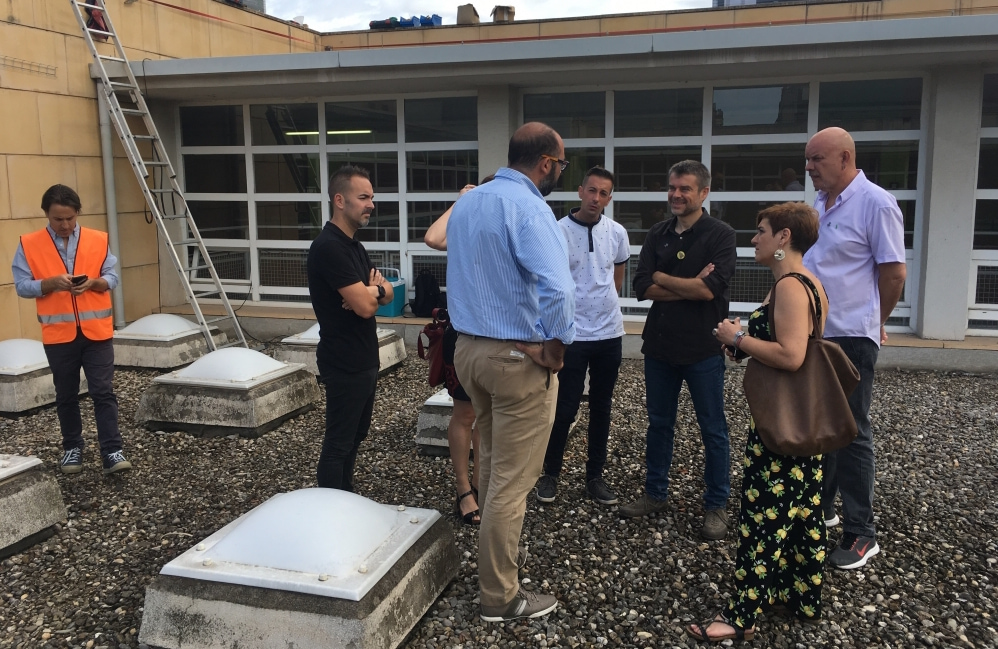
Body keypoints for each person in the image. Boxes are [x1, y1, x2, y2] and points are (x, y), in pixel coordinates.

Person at [446, 122, 575, 623]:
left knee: (493, 463)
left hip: (469, 351)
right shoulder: (529, 207)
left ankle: (494, 576)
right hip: (515, 357)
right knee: (510, 483)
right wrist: (556, 350)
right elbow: (560, 291)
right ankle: (500, 597)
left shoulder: (471, 201)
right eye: (560, 167)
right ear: (546, 163)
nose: (559, 174)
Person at [688, 202, 829, 643]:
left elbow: (792, 355)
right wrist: (742, 343)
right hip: (803, 423)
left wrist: (738, 337)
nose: (754, 238)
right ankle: (800, 595)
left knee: (763, 519)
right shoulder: (805, 283)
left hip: (780, 426)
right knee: (803, 515)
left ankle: (742, 616)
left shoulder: (789, 286)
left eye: (761, 231)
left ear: (784, 237)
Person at [802, 127, 906, 570]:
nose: (809, 169)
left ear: (845, 158)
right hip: (817, 333)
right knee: (824, 428)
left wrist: (874, 322)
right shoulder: (819, 206)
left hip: (851, 337)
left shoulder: (876, 203)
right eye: (807, 161)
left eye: (817, 160)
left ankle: (862, 532)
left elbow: (894, 273)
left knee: (853, 430)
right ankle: (824, 509)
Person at [622, 160, 737, 541]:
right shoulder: (658, 233)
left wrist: (663, 277)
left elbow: (710, 290)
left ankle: (716, 505)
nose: (676, 194)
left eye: (685, 188)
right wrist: (686, 283)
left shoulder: (721, 235)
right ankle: (655, 494)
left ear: (704, 193)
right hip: (660, 346)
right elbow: (641, 286)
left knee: (713, 429)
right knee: (659, 424)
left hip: (704, 347)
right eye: (672, 187)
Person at [11, 184, 130, 475]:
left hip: (97, 333)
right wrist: (50, 283)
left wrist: (94, 283)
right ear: (46, 215)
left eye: (69, 218)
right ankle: (72, 448)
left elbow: (112, 278)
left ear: (77, 213)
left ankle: (112, 451)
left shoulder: (98, 239)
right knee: (65, 394)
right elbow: (22, 286)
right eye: (57, 219)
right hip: (58, 336)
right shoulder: (29, 243)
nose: (64, 225)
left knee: (103, 391)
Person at [534, 165, 629, 507]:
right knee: (564, 407)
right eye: (592, 190)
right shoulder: (557, 231)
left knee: (602, 406)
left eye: (604, 193)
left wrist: (602, 303)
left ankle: (595, 476)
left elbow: (616, 274)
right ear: (580, 191)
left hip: (609, 334)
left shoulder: (617, 232)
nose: (596, 198)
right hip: (571, 334)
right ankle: (550, 472)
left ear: (609, 198)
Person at [307, 165, 394, 492]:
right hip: (343, 360)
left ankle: (345, 498)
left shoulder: (354, 247)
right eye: (363, 197)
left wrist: (372, 290)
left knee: (356, 436)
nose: (371, 204)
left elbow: (388, 293)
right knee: (338, 443)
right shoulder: (329, 247)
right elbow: (366, 307)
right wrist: (371, 294)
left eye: (372, 197)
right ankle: (332, 507)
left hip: (365, 359)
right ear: (340, 200)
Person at [424, 180, 489, 525]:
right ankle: (464, 490)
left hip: (497, 337)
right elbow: (433, 239)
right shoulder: (464, 227)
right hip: (464, 334)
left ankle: (480, 483)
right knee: (466, 414)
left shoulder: (498, 231)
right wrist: (461, 201)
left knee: (486, 416)